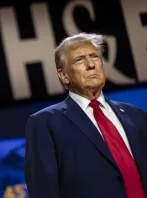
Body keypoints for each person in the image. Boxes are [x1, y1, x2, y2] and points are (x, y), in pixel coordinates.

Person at [24, 32, 147, 198]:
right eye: (79, 60)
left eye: (95, 57)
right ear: (64, 75)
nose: (91, 64)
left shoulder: (137, 115)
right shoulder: (45, 123)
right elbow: (43, 190)